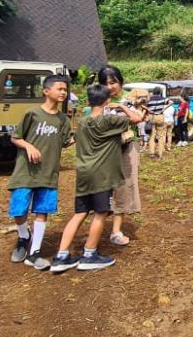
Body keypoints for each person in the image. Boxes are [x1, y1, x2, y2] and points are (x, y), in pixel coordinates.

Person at [50, 84, 134, 273]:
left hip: (83, 173)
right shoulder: (110, 120)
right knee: (100, 213)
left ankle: (61, 255)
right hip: (102, 176)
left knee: (80, 213)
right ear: (107, 101)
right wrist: (121, 107)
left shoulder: (82, 122)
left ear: (88, 101)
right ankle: (89, 254)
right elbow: (136, 119)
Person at [6, 75, 73, 271]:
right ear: (46, 91)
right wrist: (28, 146)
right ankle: (23, 236)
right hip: (25, 172)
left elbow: (65, 142)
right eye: (59, 89)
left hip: (48, 172)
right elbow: (15, 137)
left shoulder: (63, 119)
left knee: (43, 210)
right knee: (19, 209)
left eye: (65, 90)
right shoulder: (32, 114)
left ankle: (34, 252)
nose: (63, 92)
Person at [94, 65, 147, 248]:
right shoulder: (99, 101)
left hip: (126, 147)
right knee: (104, 186)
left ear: (120, 82)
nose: (110, 87)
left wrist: (120, 106)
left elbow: (138, 119)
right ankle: (99, 222)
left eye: (113, 82)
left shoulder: (129, 99)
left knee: (124, 185)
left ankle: (116, 231)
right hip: (105, 149)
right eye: (106, 83)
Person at [146, 90, 167, 158]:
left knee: (152, 135)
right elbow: (171, 102)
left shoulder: (149, 99)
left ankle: (152, 153)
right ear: (159, 93)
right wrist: (163, 109)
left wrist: (149, 110)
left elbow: (143, 105)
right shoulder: (163, 98)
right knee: (160, 136)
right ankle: (160, 154)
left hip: (152, 116)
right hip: (160, 116)